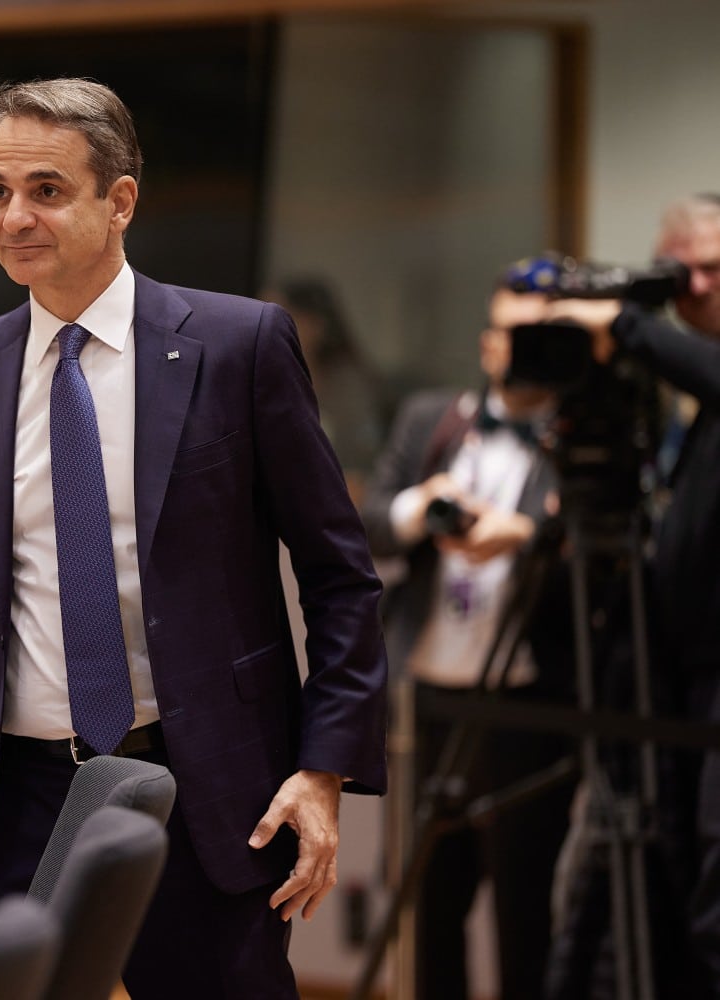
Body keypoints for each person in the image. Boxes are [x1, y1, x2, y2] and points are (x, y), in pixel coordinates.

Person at [0, 78, 387, 998]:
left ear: (119, 200)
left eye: (46, 190)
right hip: (16, 797)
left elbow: (340, 576)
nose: (13, 217)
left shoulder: (238, 347)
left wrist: (322, 768)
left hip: (202, 790)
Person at [360, 282, 575, 1000]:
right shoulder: (433, 420)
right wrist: (418, 509)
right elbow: (367, 527)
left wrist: (531, 535)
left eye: (545, 335)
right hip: (426, 698)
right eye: (514, 333)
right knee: (425, 901)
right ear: (487, 344)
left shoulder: (581, 438)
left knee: (524, 905)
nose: (525, 350)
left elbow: (611, 553)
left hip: (526, 703)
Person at [548, 193, 720, 998]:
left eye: (713, 269)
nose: (696, 287)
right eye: (680, 273)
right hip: (682, 675)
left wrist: (619, 322)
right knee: (681, 875)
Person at [262, 277, 387, 494]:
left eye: (275, 319)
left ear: (315, 325)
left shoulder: (348, 386)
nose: (262, 329)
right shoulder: (259, 374)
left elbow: (358, 472)